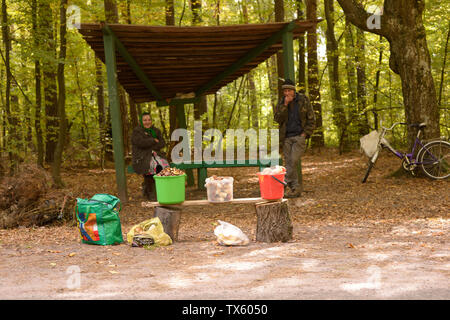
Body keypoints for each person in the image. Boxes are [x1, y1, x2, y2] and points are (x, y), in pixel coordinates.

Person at [274, 79, 315, 198]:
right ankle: (295, 189)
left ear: (293, 91)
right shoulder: (282, 102)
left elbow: (311, 118)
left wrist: (305, 134)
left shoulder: (303, 100)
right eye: (284, 91)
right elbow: (277, 119)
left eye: (288, 91)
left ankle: (281, 184)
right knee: (289, 163)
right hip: (286, 137)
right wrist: (285, 105)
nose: (286, 93)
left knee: (293, 160)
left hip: (299, 136)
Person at [131, 112, 166, 200]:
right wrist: (153, 140)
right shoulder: (137, 131)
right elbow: (141, 143)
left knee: (163, 166)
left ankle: (159, 191)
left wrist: (149, 143)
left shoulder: (156, 130)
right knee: (151, 166)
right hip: (142, 157)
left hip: (156, 155)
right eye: (145, 120)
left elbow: (162, 143)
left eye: (149, 120)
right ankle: (150, 192)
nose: (147, 122)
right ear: (141, 121)